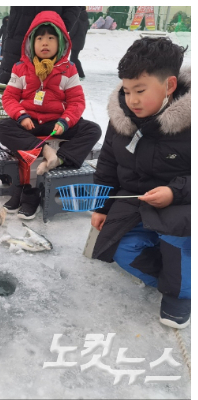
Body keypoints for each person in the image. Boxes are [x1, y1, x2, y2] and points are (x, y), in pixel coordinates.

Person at [91, 37, 190, 329]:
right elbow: (108, 164)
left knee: (174, 233)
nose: (132, 99)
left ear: (170, 86)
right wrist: (102, 207)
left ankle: (181, 292)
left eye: (140, 91)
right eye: (126, 90)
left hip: (183, 205)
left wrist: (174, 192)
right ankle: (175, 276)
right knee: (119, 249)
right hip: (135, 200)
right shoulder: (122, 115)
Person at [0, 11, 101, 219]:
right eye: (40, 38)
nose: (45, 42)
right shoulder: (20, 68)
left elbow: (77, 102)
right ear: (31, 42)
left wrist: (65, 122)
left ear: (61, 42)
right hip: (29, 124)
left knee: (92, 129)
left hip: (56, 123)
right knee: (2, 127)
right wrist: (21, 115)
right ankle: (44, 151)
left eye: (51, 38)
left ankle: (59, 159)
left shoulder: (68, 70)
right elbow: (9, 98)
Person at [0, 6, 82, 84]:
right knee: (8, 82)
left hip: (50, 31)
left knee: (52, 85)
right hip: (18, 32)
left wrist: (63, 23)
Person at [69, 8, 89, 80]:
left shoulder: (78, 20)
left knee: (73, 58)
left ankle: (80, 74)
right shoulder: (86, 21)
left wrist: (68, 38)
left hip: (75, 42)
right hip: (81, 42)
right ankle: (76, 73)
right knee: (74, 58)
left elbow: (73, 31)